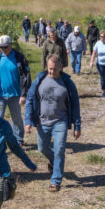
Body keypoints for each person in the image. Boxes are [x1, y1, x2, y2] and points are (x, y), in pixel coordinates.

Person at [24, 54, 81, 192]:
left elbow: (75, 105)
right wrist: (28, 121)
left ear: (61, 67)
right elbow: (30, 100)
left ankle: (55, 181)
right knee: (42, 148)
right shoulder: (39, 80)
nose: (51, 71)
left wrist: (77, 126)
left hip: (60, 122)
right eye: (49, 68)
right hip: (43, 122)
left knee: (60, 150)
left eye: (54, 69)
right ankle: (53, 161)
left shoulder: (68, 83)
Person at [0, 35, 32, 146]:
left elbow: (26, 76)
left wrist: (24, 94)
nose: (3, 49)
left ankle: (18, 139)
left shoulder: (19, 57)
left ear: (11, 44)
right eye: (1, 47)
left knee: (16, 119)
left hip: (15, 94)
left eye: (5, 47)